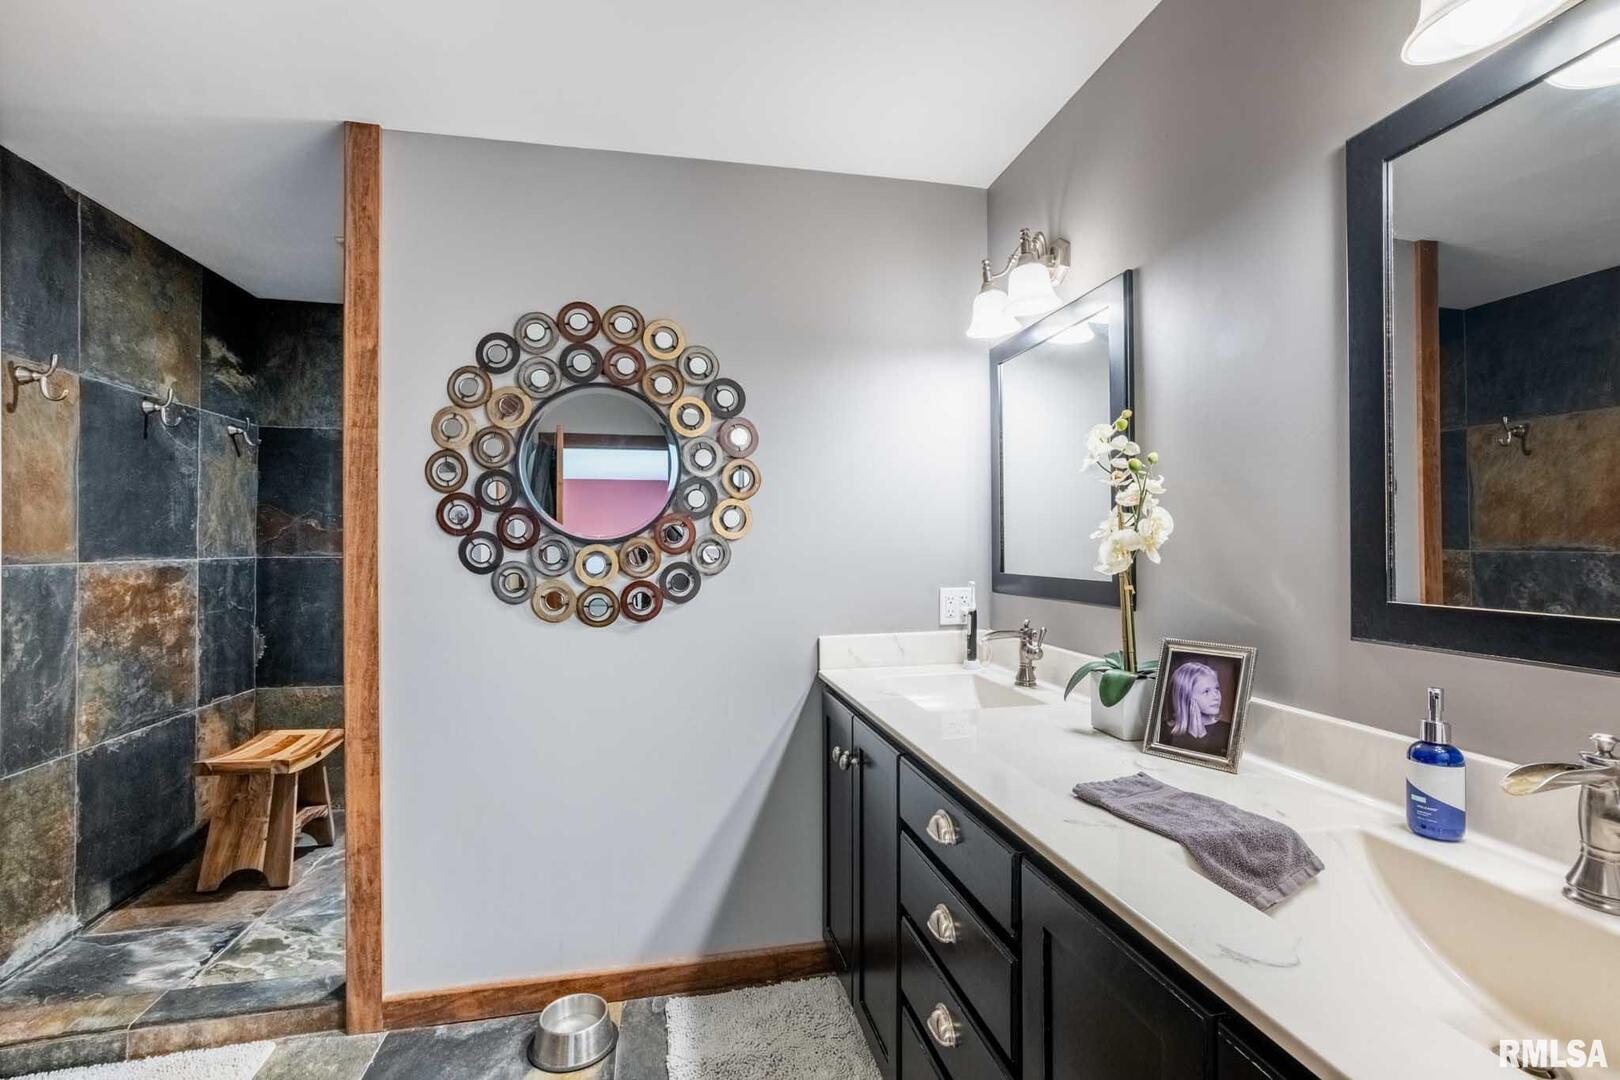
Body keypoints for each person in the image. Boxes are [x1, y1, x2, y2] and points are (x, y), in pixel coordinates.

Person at [1166, 660, 1228, 753]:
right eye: (1206, 691)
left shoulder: (1226, 731)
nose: (1216, 696)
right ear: (1186, 697)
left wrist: (1202, 735)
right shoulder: (1164, 731)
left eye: (1217, 688)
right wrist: (1192, 737)